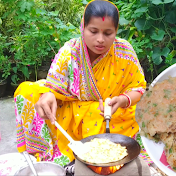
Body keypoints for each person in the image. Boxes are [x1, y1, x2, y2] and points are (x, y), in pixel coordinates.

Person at [14, 0, 147, 166]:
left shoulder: (124, 51)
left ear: (116, 31)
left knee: (141, 113)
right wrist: (48, 96)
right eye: (93, 31)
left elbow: (139, 88)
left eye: (108, 33)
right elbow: (53, 87)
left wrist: (122, 100)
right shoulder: (70, 51)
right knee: (27, 92)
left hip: (108, 113)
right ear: (83, 27)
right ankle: (43, 150)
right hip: (70, 113)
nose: (100, 39)